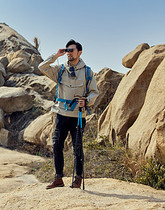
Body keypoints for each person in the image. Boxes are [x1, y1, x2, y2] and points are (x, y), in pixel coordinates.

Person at [38, 39, 99, 189]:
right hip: (61, 114)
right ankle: (58, 178)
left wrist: (86, 101)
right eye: (67, 50)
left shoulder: (87, 72)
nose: (69, 53)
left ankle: (77, 179)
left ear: (80, 52)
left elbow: (94, 92)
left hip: (78, 115)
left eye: (71, 50)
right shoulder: (60, 69)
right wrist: (56, 55)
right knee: (57, 146)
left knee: (77, 148)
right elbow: (41, 67)